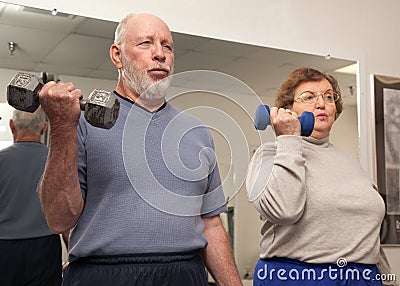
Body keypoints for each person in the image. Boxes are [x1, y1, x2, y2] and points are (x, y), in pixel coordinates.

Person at [38, 13, 242, 286]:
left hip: (185, 274)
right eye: (146, 43)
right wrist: (63, 126)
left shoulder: (196, 132)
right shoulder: (81, 124)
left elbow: (212, 225)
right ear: (117, 55)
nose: (160, 54)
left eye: (167, 46)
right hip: (103, 275)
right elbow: (59, 219)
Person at [246, 67, 393, 285]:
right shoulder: (270, 154)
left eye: (328, 97)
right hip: (298, 277)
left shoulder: (351, 162)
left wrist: (386, 280)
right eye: (308, 97)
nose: (321, 103)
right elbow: (283, 211)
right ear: (288, 109)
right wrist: (288, 139)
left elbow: (367, 238)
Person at [0, 108, 62, 286]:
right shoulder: (57, 162)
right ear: (44, 128)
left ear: (12, 126)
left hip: (4, 248)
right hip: (45, 248)